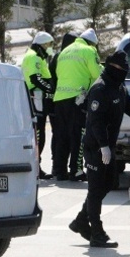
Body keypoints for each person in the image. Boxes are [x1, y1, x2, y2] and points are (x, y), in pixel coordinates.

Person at [68, 51, 130, 248]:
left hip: (109, 146)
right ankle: (97, 233)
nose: (124, 73)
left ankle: (80, 220)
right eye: (122, 69)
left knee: (108, 184)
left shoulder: (119, 86)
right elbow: (96, 122)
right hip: (96, 146)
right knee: (95, 191)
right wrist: (103, 146)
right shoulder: (100, 89)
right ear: (113, 67)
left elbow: (129, 106)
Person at [53, 28, 103, 181]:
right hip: (77, 99)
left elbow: (58, 74)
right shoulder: (89, 50)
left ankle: (60, 171)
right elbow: (97, 74)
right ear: (92, 43)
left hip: (59, 98)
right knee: (78, 136)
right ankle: (76, 170)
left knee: (62, 136)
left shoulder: (65, 51)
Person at [22, 31, 55, 180]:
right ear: (41, 45)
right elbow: (35, 78)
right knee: (38, 134)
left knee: (40, 133)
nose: (50, 48)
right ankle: (36, 167)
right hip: (36, 98)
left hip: (39, 98)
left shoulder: (36, 57)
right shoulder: (33, 57)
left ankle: (37, 166)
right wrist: (50, 89)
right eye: (48, 45)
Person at [47, 31, 79, 177]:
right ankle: (72, 169)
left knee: (59, 136)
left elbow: (51, 78)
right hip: (71, 100)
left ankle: (58, 169)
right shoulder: (72, 56)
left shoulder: (57, 57)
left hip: (57, 100)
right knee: (72, 135)